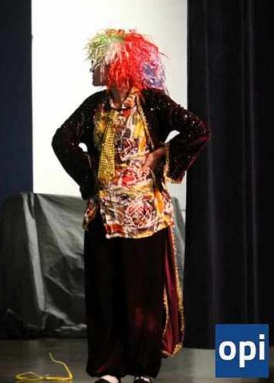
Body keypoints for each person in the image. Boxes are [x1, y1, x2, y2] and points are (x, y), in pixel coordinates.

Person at [52, 29, 210, 383]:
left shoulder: (151, 102)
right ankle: (109, 368)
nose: (92, 68)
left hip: (145, 219)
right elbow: (61, 140)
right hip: (104, 217)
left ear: (117, 65)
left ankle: (143, 369)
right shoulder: (94, 107)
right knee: (105, 293)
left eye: (98, 62)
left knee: (142, 296)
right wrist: (90, 177)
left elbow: (197, 130)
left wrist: (162, 153)